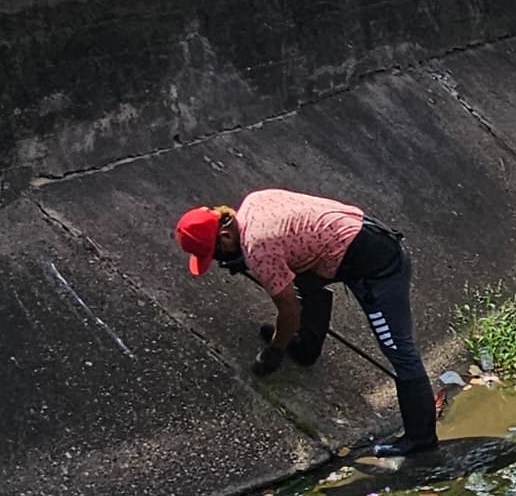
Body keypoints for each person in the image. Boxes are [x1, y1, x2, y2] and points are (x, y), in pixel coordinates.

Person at [174, 189, 439, 458]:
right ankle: (307, 347)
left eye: (217, 254)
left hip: (379, 265)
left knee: (398, 350)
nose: (220, 260)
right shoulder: (254, 201)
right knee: (300, 277)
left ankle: (421, 438)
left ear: (226, 236)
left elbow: (289, 313)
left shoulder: (258, 250)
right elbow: (292, 237)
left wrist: (274, 350)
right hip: (355, 236)